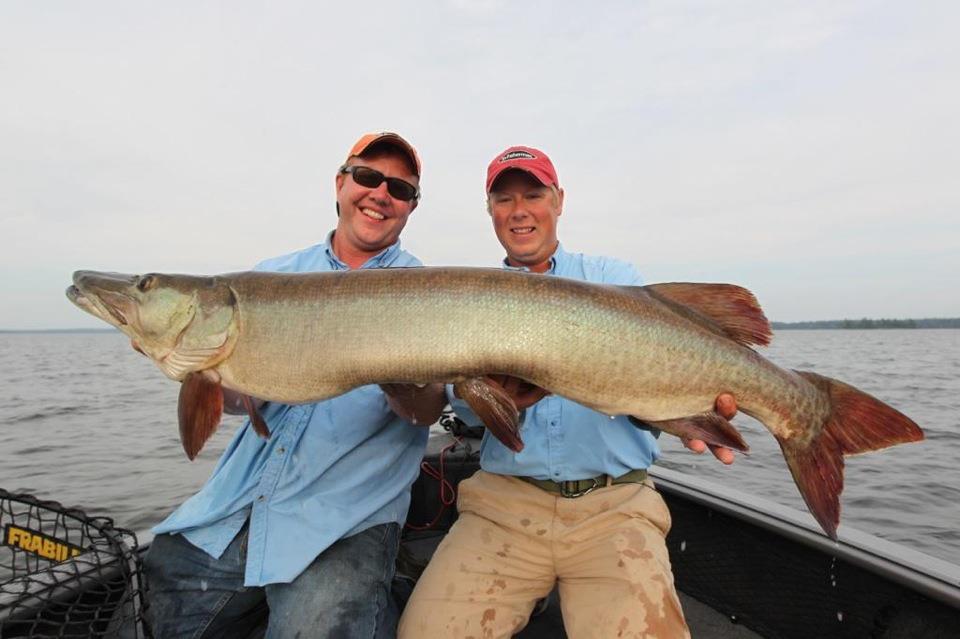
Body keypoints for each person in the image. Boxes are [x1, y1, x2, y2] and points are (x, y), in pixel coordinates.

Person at [398, 146, 737, 639]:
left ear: (558, 200)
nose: (519, 210)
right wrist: (496, 401)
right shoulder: (468, 299)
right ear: (490, 211)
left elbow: (646, 387)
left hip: (615, 504)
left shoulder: (612, 278)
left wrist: (680, 413)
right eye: (504, 199)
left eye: (533, 194)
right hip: (503, 507)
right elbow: (466, 412)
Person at [137, 132, 447, 638]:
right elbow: (240, 402)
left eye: (400, 188)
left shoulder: (425, 292)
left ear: (410, 207)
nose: (380, 193)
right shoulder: (271, 276)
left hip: (345, 524)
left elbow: (427, 411)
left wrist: (403, 383)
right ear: (341, 183)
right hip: (235, 510)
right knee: (163, 594)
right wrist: (202, 366)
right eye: (368, 177)